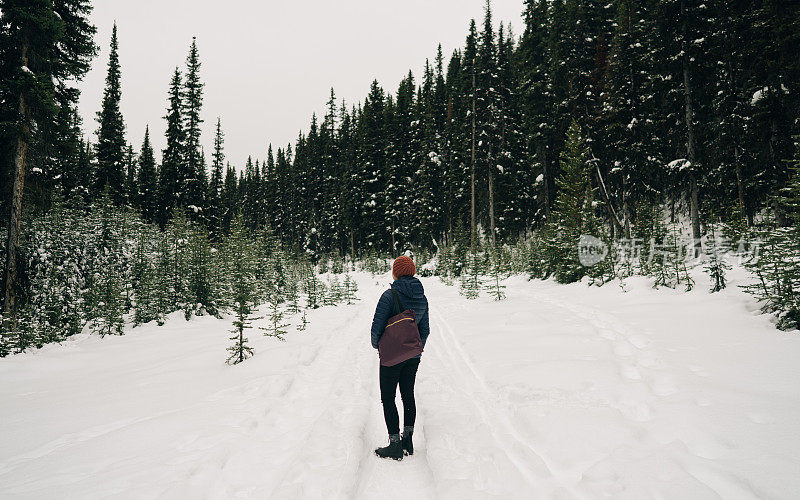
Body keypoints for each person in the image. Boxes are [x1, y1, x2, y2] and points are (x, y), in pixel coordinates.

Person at [371, 255, 430, 460]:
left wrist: (377, 346)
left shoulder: (389, 296)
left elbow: (376, 328)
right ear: (412, 271)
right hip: (413, 355)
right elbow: (425, 329)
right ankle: (408, 440)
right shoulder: (422, 297)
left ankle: (394, 444)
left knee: (388, 398)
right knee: (408, 394)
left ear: (395, 272)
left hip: (391, 357)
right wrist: (415, 349)